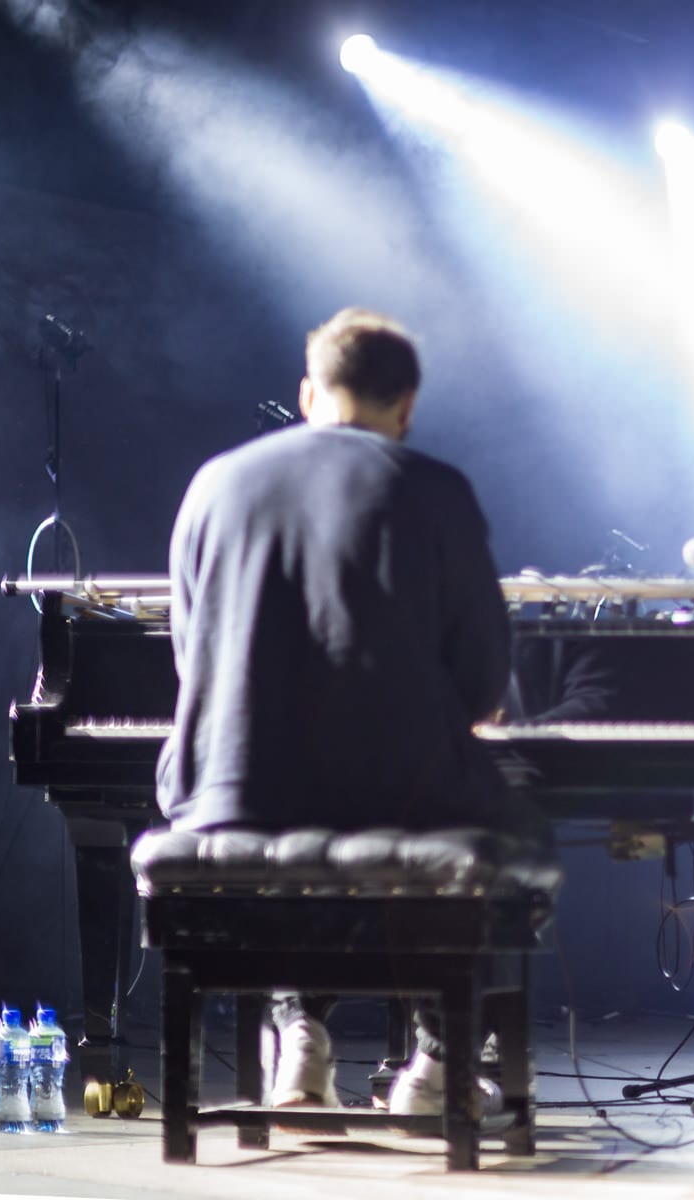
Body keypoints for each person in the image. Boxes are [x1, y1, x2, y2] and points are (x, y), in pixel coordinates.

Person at [157, 307, 549, 1114]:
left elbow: (192, 661)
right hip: (394, 795)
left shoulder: (214, 484)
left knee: (298, 810)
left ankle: (298, 1040)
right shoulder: (434, 490)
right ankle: (437, 1064)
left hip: (227, 796)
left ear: (309, 393)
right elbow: (482, 685)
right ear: (406, 407)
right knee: (508, 822)